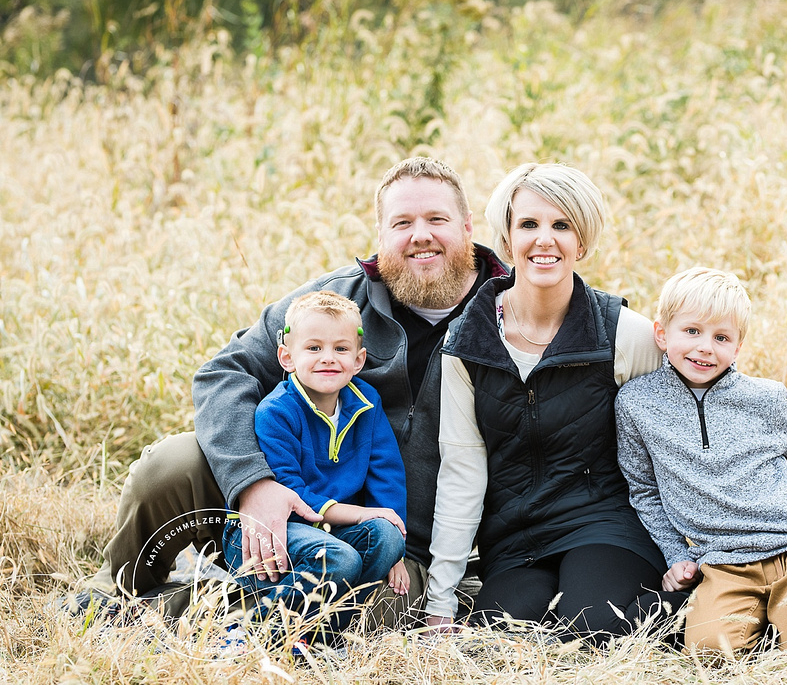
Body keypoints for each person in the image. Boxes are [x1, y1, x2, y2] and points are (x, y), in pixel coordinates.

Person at [71, 157, 508, 626]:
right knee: (168, 466)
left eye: (436, 220)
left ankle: (145, 615)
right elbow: (225, 372)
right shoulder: (337, 301)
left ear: (466, 228)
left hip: (402, 543)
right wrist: (254, 485)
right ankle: (113, 588)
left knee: (348, 616)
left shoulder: (509, 317)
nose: (420, 235)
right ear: (381, 238)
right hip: (288, 495)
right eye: (402, 223)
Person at [422, 162, 671, 643]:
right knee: (498, 634)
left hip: (604, 525)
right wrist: (440, 602)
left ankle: (701, 603)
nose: (545, 240)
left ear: (583, 241)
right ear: (507, 236)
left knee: (593, 627)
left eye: (562, 226)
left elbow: (690, 418)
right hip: (516, 540)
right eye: (529, 224)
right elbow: (462, 469)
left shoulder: (623, 333)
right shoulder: (467, 342)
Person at [615, 267, 787, 653]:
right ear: (661, 334)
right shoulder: (635, 403)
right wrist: (677, 555)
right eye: (692, 331)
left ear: (738, 347)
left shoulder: (765, 398)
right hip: (722, 560)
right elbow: (644, 491)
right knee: (709, 651)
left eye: (721, 337)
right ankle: (780, 618)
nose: (705, 347)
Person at [221, 290, 407, 630]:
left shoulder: (367, 402)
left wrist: (397, 551)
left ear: (359, 359)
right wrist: (362, 513)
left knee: (387, 538)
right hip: (274, 531)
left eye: (340, 348)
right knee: (340, 558)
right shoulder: (276, 412)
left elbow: (387, 474)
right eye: (313, 348)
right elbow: (291, 493)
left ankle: (322, 632)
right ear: (287, 357)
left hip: (333, 531)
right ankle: (247, 625)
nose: (328, 358)